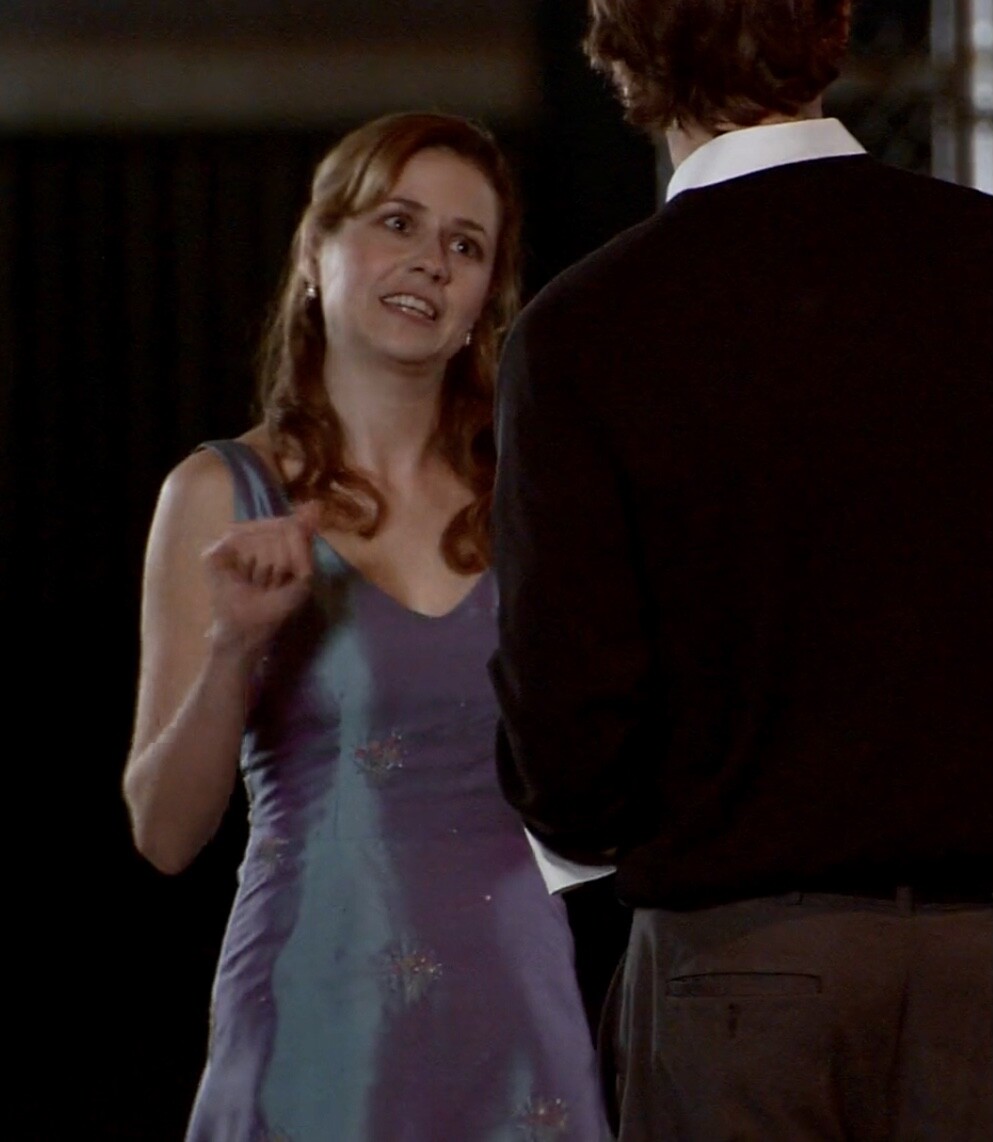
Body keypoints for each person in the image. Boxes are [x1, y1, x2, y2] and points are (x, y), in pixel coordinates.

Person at [489, 2, 993, 1139]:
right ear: (830, 29)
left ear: (627, 62)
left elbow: (566, 733)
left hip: (740, 966)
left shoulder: (587, 329)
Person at [123, 111, 609, 1142]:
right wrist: (235, 648)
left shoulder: (532, 497)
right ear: (316, 250)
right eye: (398, 222)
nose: (430, 260)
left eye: (465, 245)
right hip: (315, 1020)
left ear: (484, 300)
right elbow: (162, 834)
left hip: (517, 1021)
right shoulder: (217, 492)